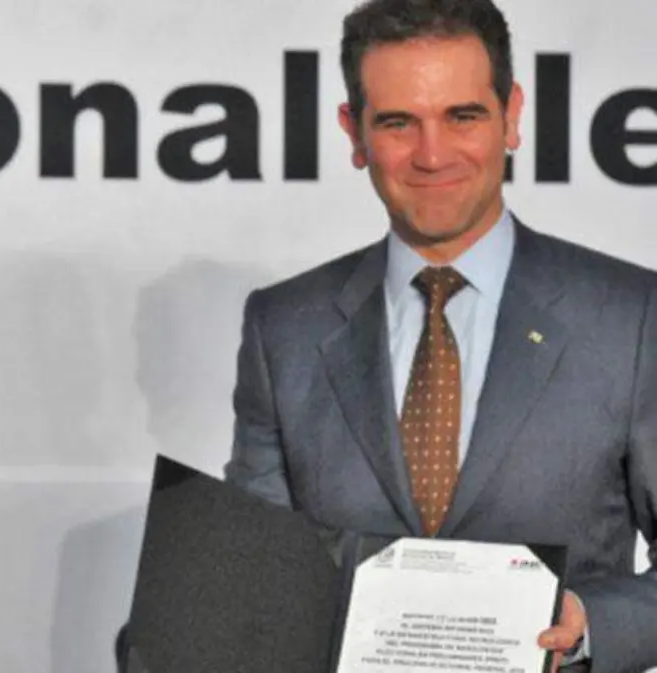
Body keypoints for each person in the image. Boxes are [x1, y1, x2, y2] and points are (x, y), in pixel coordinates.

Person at [224, 0, 657, 671]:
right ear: (354, 131)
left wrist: (588, 624)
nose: (432, 155)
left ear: (512, 115)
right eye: (398, 122)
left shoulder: (632, 317)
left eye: (463, 116)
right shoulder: (283, 328)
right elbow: (254, 574)